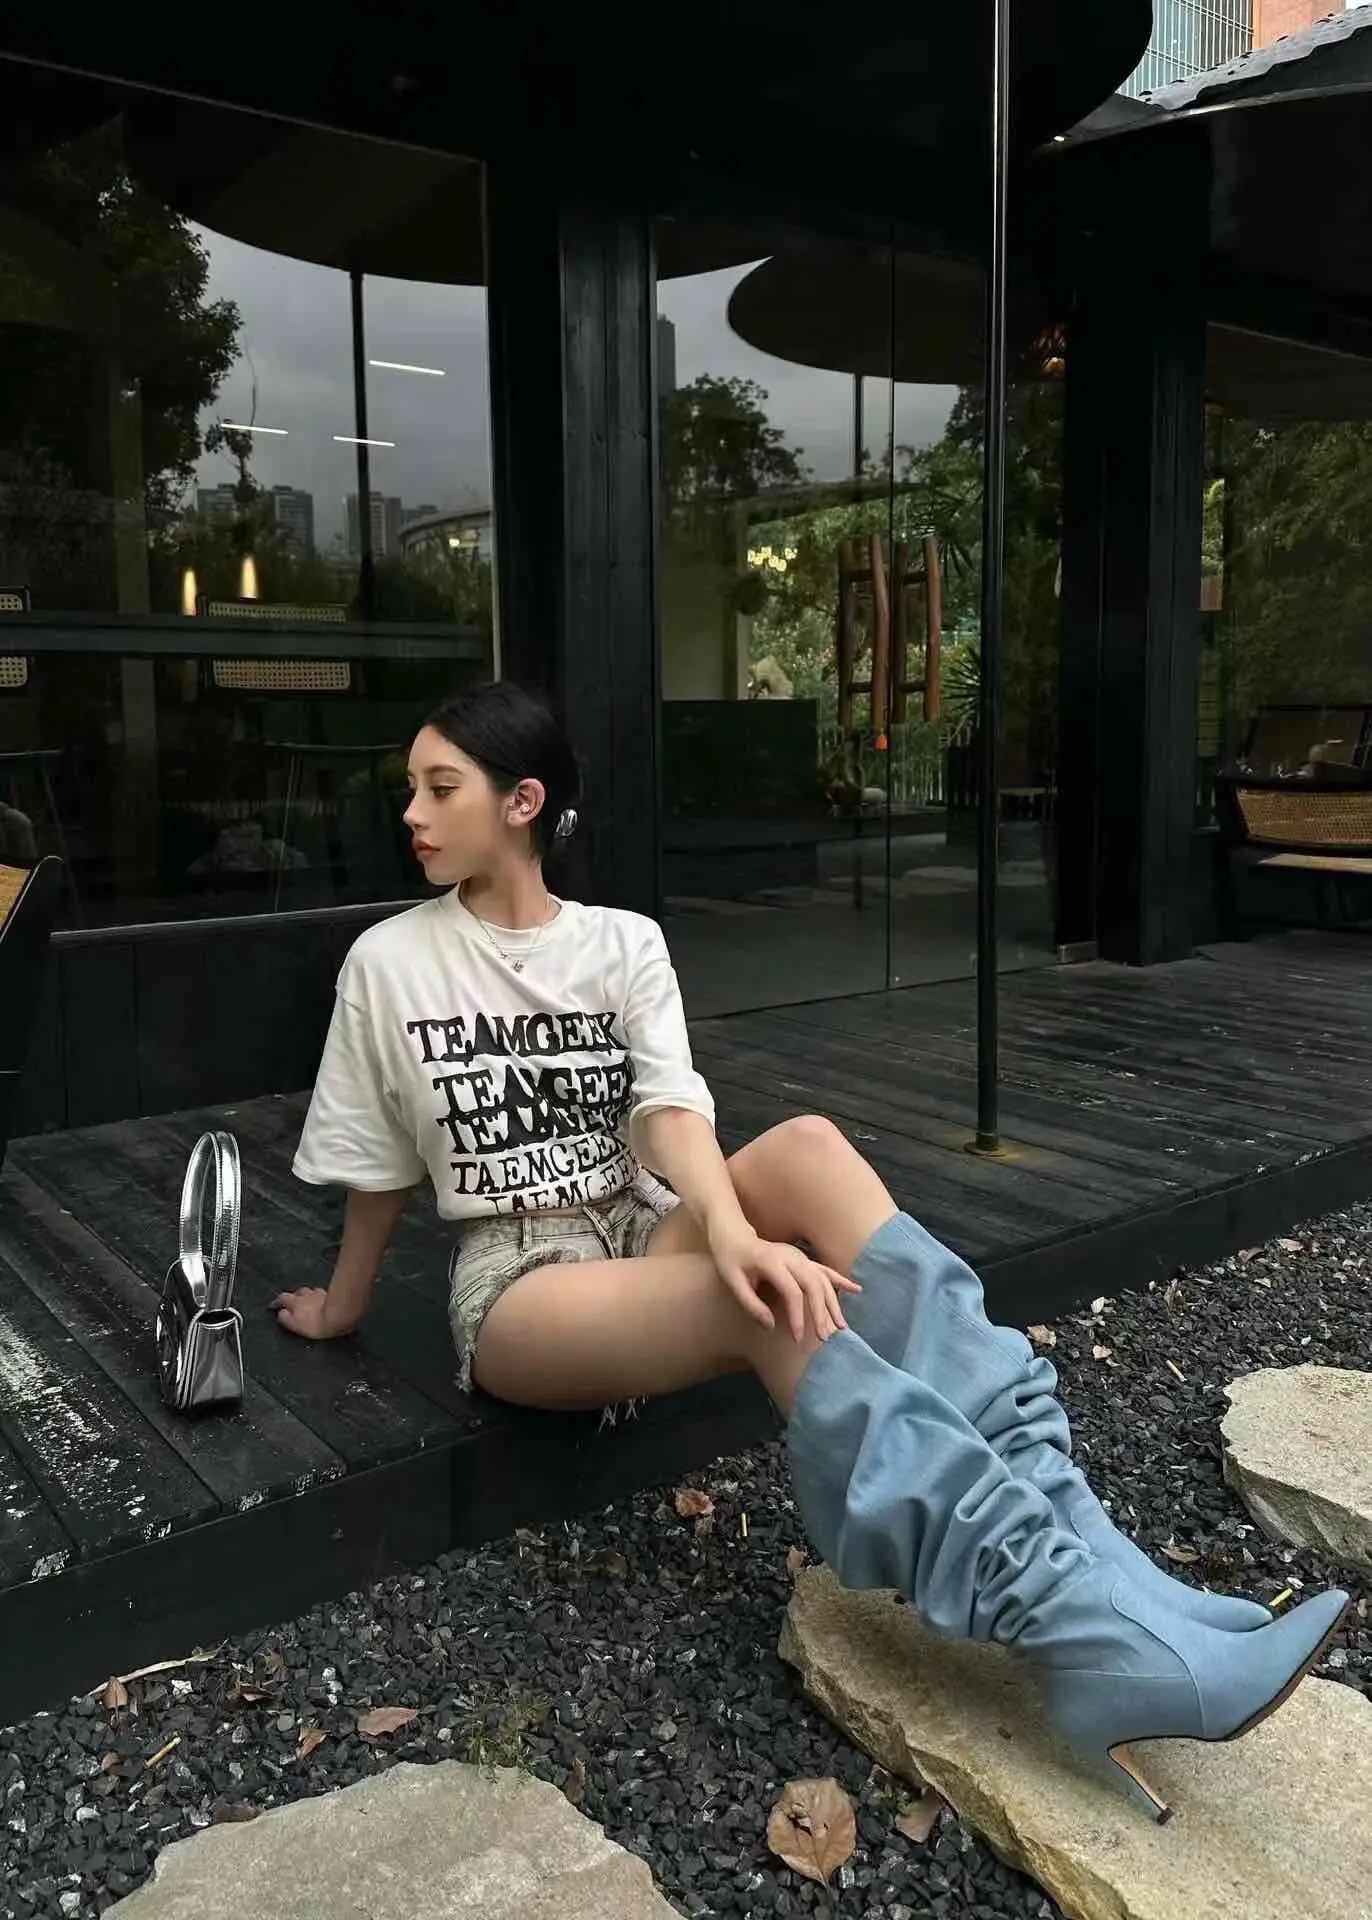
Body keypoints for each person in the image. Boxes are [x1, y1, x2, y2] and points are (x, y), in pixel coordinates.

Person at [272, 679, 1349, 1825]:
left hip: (640, 1221)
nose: (412, 814)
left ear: (521, 802)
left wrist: (730, 1228)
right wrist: (342, 1307)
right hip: (525, 1282)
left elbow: (669, 1111)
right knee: (774, 1306)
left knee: (809, 1147)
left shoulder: (620, 942)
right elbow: (379, 1163)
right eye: (412, 791)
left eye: (440, 789)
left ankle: (1106, 1575)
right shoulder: (390, 962)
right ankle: (1077, 1624)